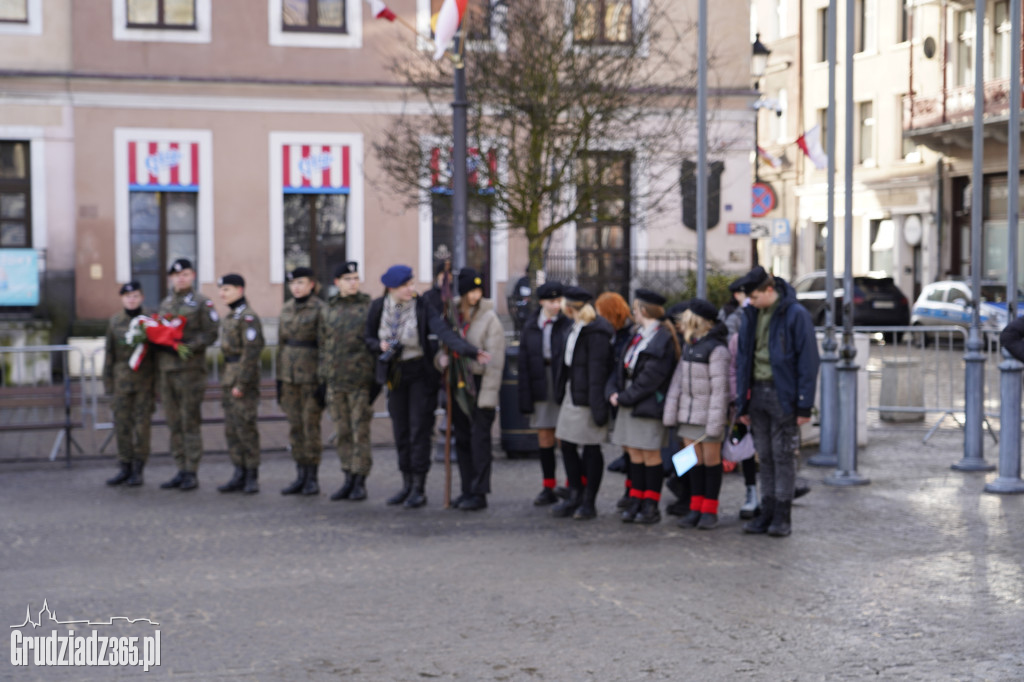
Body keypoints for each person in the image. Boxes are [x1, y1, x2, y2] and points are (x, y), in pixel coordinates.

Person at [365, 264, 488, 509]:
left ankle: (419, 488)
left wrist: (470, 351)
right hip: (395, 373)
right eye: (406, 286)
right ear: (391, 288)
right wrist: (379, 346)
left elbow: (443, 331)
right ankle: (406, 483)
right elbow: (367, 337)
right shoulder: (379, 307)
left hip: (420, 372)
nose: (411, 288)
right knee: (400, 430)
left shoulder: (422, 306)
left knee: (419, 429)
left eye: (412, 284)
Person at [735, 266, 820, 537]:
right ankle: (767, 512)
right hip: (757, 392)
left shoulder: (795, 314)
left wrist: (804, 404)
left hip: (783, 393)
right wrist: (742, 404)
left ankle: (782, 516)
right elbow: (743, 360)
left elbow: (808, 361)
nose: (751, 302)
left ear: (769, 290)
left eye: (755, 296)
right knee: (766, 457)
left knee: (783, 456)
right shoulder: (752, 314)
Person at [608, 289, 680, 525]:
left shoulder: (662, 338)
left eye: (635, 308)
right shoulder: (638, 334)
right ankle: (636, 499)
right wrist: (614, 391)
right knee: (634, 453)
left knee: (650, 454)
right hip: (630, 398)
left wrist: (625, 397)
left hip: (647, 402)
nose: (632, 313)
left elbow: (652, 377)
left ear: (643, 310)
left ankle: (651, 504)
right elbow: (622, 364)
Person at [664, 299, 731, 529]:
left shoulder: (717, 349)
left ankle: (709, 510)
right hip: (688, 416)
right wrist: (672, 413)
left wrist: (715, 423)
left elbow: (720, 390)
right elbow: (677, 383)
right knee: (693, 464)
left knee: (711, 463)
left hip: (707, 417)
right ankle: (694, 507)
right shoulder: (690, 346)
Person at [442, 268, 506, 511]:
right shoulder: (452, 316)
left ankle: (479, 492)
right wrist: (442, 362)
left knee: (480, 442)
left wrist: (487, 398)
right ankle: (466, 488)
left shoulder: (490, 319)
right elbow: (443, 347)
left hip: (480, 386)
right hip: (458, 385)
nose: (475, 296)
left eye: (478, 290)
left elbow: (495, 360)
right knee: (463, 440)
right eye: (471, 291)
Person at [551, 286, 613, 520]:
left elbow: (597, 371)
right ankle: (575, 492)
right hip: (572, 392)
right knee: (566, 444)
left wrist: (597, 406)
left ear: (570, 307)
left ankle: (589, 501)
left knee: (590, 447)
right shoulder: (573, 327)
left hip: (588, 396)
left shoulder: (596, 332)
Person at [157, 258, 219, 491]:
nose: (180, 278)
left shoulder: (202, 303)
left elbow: (211, 333)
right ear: (170, 278)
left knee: (189, 421)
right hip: (167, 371)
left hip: (190, 371)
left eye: (184, 274)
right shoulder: (166, 303)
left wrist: (188, 347)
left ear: (192, 276)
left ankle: (191, 471)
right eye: (176, 275)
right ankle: (180, 467)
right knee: (173, 423)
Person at [320, 261, 376, 502]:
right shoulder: (328, 309)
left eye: (355, 278)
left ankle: (360, 480)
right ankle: (347, 477)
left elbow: (374, 344)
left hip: (359, 381)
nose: (353, 283)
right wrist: (323, 378)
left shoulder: (368, 307)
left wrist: (375, 380)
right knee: (342, 432)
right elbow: (323, 344)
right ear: (337, 283)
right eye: (347, 279)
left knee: (359, 432)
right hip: (336, 382)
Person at [518, 281, 572, 505]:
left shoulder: (567, 324)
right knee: (545, 435)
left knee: (566, 436)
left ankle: (571, 483)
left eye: (559, 300)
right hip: (541, 380)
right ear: (541, 302)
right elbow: (523, 363)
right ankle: (548, 485)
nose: (556, 305)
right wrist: (525, 396)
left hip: (561, 379)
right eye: (552, 301)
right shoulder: (531, 325)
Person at [278, 266, 327, 496]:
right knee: (295, 427)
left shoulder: (320, 309)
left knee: (310, 427)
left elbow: (325, 347)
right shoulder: (286, 308)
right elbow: (281, 344)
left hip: (310, 377)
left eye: (301, 283)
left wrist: (323, 381)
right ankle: (300, 474)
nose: (296, 288)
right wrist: (279, 378)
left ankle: (312, 477)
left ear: (312, 285)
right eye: (293, 284)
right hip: (289, 378)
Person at [215, 274, 265, 495]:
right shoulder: (230, 317)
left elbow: (251, 352)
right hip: (229, 377)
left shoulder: (248, 318)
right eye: (221, 289)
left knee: (246, 427)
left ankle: (251, 474)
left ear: (240, 290)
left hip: (242, 379)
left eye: (227, 289)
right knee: (232, 429)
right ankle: (238, 472)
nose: (222, 294)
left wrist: (241, 383)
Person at [102, 281, 156, 487]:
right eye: (127, 296)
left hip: (145, 383)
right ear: (122, 299)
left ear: (142, 297)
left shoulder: (150, 320)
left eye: (135, 296)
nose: (131, 299)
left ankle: (138, 469)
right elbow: (109, 354)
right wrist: (108, 384)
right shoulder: (115, 321)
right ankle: (124, 467)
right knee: (122, 426)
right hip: (121, 383)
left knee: (141, 427)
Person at [723, 279, 760, 519]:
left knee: (768, 450)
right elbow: (732, 369)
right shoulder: (737, 340)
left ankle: (767, 495)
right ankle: (751, 492)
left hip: (767, 402)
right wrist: (737, 399)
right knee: (741, 448)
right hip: (742, 406)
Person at [593, 291, 634, 507]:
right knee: (627, 448)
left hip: (629, 397)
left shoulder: (627, 334)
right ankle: (631, 489)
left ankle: (635, 491)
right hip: (617, 395)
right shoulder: (614, 333)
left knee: (636, 449)